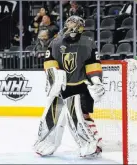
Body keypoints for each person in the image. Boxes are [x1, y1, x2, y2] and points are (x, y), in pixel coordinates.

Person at [34, 16, 105, 158]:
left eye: (73, 23)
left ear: (80, 26)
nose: (70, 25)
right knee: (52, 115)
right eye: (69, 23)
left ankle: (91, 143)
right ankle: (46, 142)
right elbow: (49, 61)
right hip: (62, 87)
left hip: (81, 86)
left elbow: (93, 63)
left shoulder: (88, 42)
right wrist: (53, 75)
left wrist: (96, 79)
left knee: (79, 116)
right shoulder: (56, 42)